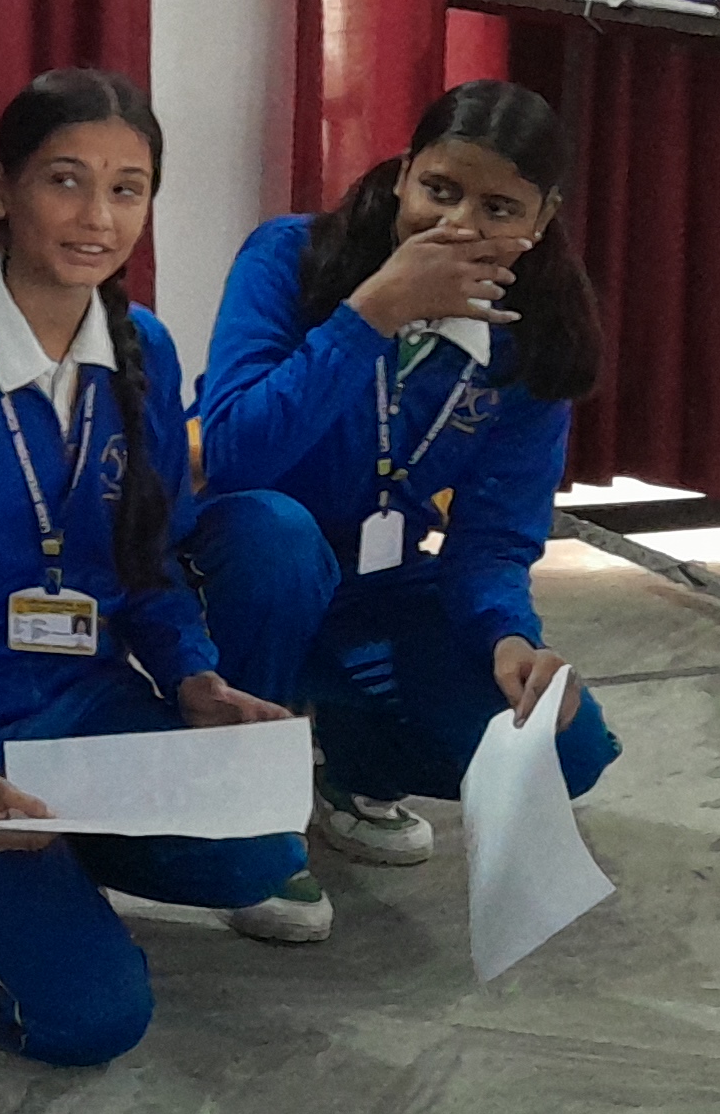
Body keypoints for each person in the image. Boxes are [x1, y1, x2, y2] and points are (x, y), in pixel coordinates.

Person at [0, 70, 322, 1070]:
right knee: (91, 1020)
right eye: (65, 180)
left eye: (129, 189)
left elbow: (153, 561)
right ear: (2, 190)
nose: (98, 217)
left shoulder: (142, 352)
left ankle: (37, 882)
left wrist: (195, 680)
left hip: (83, 706)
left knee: (262, 856)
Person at [188, 79, 621, 866]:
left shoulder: (532, 338)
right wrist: (371, 316)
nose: (459, 226)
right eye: (439, 190)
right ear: (403, 173)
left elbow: (494, 538)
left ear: (542, 219)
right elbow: (232, 454)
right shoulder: (289, 256)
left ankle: (354, 765)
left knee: (566, 748)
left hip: (374, 584)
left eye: (499, 209)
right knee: (277, 536)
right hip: (242, 569)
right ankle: (242, 813)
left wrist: (508, 636)